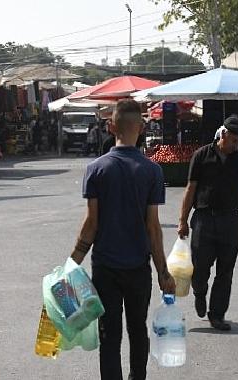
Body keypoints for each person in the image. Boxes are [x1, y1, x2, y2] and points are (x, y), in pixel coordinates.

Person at [69, 99, 175, 380]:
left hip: (105, 269)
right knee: (137, 330)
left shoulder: (96, 169)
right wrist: (163, 273)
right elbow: (153, 227)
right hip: (138, 268)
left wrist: (70, 265)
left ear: (110, 126)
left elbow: (91, 225)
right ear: (141, 128)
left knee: (110, 335)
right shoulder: (152, 171)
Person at [178, 116, 238, 331]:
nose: (237, 144)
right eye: (235, 139)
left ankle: (217, 314)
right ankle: (200, 293)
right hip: (203, 219)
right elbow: (190, 189)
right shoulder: (201, 155)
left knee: (226, 270)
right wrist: (182, 220)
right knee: (199, 269)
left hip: (229, 218)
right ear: (224, 134)